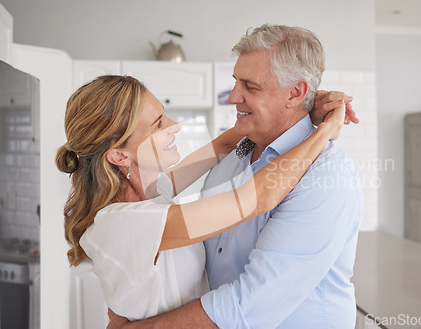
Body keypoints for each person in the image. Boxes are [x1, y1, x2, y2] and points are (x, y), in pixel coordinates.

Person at [109, 24, 363, 328]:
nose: (232, 97)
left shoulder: (327, 174)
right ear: (117, 157)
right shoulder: (228, 158)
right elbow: (256, 194)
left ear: (296, 92)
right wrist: (317, 120)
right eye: (236, 82)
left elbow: (250, 305)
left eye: (250, 87)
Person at [55, 73, 351, 322]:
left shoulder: (155, 193)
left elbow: (223, 144)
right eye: (157, 124)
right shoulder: (122, 223)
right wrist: (324, 131)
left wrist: (299, 109)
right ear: (119, 155)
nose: (174, 126)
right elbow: (258, 196)